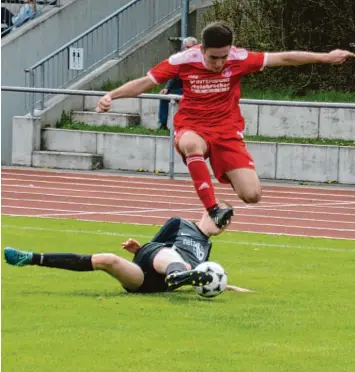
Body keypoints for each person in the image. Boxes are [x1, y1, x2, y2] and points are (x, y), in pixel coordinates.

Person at [96, 21, 355, 229]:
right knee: (190, 144)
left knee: (252, 195)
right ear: (202, 49)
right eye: (213, 58)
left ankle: (221, 180)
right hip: (192, 124)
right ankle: (211, 208)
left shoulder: (240, 58)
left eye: (223, 57)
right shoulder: (182, 60)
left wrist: (326, 57)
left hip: (227, 131)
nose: (219, 63)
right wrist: (111, 95)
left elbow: (284, 58)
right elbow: (145, 82)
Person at [4, 205, 253, 294]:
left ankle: (178, 275)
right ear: (206, 211)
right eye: (221, 216)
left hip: (153, 283)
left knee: (109, 260)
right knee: (176, 260)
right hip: (156, 259)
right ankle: (31, 258)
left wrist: (229, 286)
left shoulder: (206, 247)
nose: (223, 224)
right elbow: (154, 247)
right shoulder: (180, 224)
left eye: (227, 222)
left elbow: (204, 276)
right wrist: (138, 250)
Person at [158, 37, 198, 130]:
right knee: (164, 96)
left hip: (194, 90)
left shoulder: (199, 60)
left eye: (190, 47)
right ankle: (162, 124)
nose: (187, 50)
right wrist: (167, 88)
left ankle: (186, 126)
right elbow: (173, 75)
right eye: (186, 47)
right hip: (181, 89)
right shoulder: (180, 59)